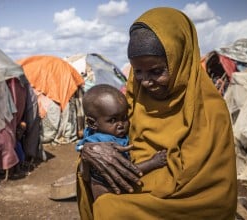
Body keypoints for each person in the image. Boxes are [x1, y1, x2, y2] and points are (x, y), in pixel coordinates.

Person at [76, 7, 237, 219]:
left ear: (181, 61)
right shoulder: (134, 99)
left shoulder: (209, 110)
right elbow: (103, 133)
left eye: (156, 71)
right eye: (138, 71)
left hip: (186, 204)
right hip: (132, 187)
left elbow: (211, 190)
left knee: (110, 210)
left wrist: (133, 186)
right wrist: (90, 150)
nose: (146, 82)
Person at [76, 84, 167, 200]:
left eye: (124, 118)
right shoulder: (106, 143)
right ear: (92, 123)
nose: (121, 125)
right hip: (109, 191)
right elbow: (127, 171)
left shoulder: (92, 134)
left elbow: (80, 147)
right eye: (112, 120)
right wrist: (153, 162)